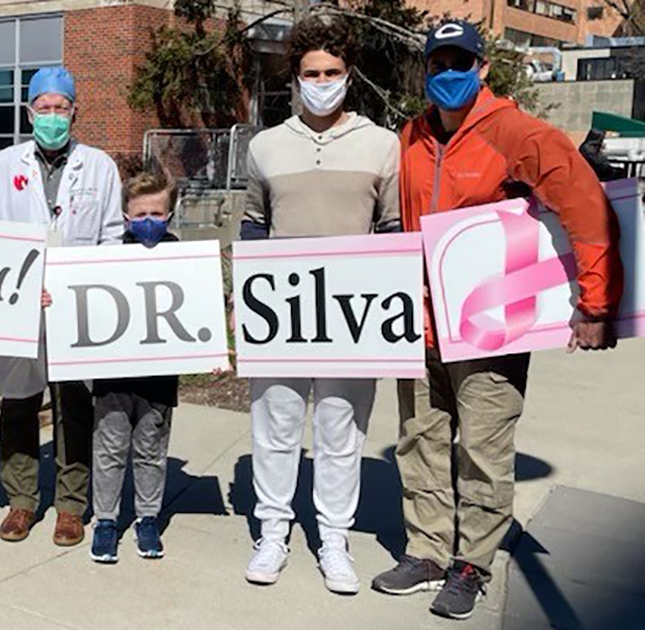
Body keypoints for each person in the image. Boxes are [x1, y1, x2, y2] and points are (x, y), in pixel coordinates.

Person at [372, 21, 623, 620]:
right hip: (421, 323)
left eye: (462, 62)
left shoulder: (517, 132)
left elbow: (585, 206)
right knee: (422, 441)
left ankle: (471, 563)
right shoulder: (411, 134)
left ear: (483, 68)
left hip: (489, 327)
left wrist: (595, 303)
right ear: (426, 71)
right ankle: (428, 549)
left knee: (483, 448)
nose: (449, 74)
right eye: (439, 64)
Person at [239, 16, 400, 595]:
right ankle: (273, 532)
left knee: (341, 434)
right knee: (275, 429)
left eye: (332, 71)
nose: (322, 81)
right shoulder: (265, 146)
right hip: (281, 312)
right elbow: (255, 226)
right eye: (312, 73)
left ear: (348, 74)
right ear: (296, 78)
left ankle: (334, 538)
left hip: (353, 317)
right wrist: (244, 306)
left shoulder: (383, 145)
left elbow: (393, 230)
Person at [0, 65, 124, 547]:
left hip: (75, 305)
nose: (52, 116)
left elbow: (112, 237)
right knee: (18, 404)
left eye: (61, 108)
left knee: (74, 406)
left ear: (75, 111)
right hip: (18, 304)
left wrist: (83, 285)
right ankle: (20, 501)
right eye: (44, 108)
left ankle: (71, 506)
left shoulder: (98, 166)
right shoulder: (4, 165)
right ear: (29, 112)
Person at [85, 169, 180, 564]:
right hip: (113, 376)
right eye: (139, 214)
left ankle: (147, 519)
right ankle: (105, 521)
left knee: (150, 451)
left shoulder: (184, 257)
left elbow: (199, 311)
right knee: (108, 450)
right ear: (125, 216)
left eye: (156, 214)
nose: (147, 222)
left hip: (158, 378)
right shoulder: (105, 256)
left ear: (170, 215)